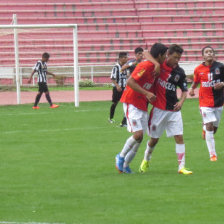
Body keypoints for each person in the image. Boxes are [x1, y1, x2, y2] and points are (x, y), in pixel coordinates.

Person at [139, 44, 193, 175]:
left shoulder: (179, 72)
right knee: (154, 140)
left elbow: (185, 91)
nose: (177, 60)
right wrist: (156, 65)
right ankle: (146, 159)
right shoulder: (160, 64)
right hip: (159, 110)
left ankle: (181, 167)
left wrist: (181, 101)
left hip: (174, 110)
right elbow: (144, 52)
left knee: (179, 137)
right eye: (175, 57)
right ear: (167, 55)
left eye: (179, 58)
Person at [115, 43, 168, 173]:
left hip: (142, 104)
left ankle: (126, 165)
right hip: (132, 101)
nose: (166, 58)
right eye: (165, 55)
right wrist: (147, 93)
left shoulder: (158, 66)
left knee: (140, 138)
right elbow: (130, 82)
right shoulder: (146, 66)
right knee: (137, 134)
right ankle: (120, 156)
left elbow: (145, 53)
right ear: (160, 55)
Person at [189, 46, 224, 161]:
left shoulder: (220, 67)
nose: (209, 53)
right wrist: (192, 89)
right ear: (203, 56)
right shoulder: (198, 69)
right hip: (205, 102)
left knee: (213, 130)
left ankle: (205, 128)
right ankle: (212, 154)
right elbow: (195, 81)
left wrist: (222, 84)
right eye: (206, 52)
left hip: (219, 102)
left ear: (213, 55)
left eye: (211, 52)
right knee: (210, 126)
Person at [109, 52, 128, 126]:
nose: (126, 59)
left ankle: (124, 121)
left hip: (124, 88)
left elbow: (126, 76)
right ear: (120, 58)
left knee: (126, 103)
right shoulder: (116, 67)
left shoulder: (125, 67)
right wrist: (117, 86)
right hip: (117, 88)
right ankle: (111, 118)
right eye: (125, 57)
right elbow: (112, 78)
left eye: (126, 57)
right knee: (115, 103)